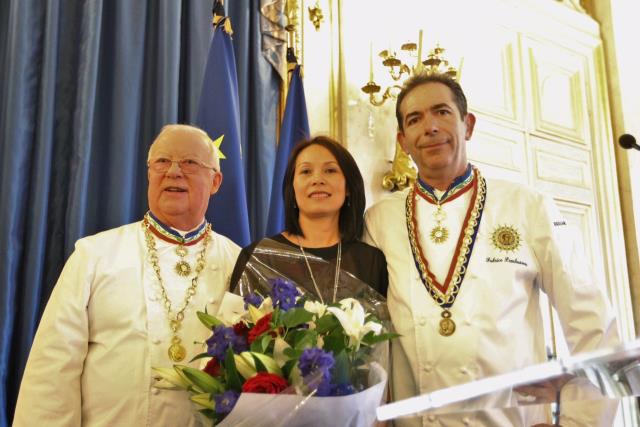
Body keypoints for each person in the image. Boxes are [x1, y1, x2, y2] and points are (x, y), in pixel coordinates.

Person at [364, 73, 619, 426]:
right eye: (414, 119)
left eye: (442, 112)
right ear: (402, 140)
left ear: (467, 125)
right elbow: (370, 334)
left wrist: (580, 422)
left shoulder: (529, 207)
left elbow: (594, 325)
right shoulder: (379, 220)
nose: (430, 127)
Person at [14, 124, 240, 426]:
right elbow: (53, 367)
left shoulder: (239, 262)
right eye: (162, 161)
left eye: (189, 162)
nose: (173, 171)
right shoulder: (95, 254)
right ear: (149, 173)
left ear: (215, 181)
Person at [230, 135, 388, 307]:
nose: (317, 180)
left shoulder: (371, 261)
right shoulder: (259, 258)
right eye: (306, 171)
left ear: (348, 186)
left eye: (330, 170)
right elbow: (236, 329)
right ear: (292, 188)